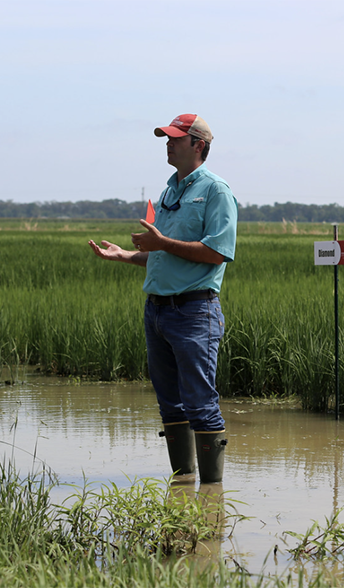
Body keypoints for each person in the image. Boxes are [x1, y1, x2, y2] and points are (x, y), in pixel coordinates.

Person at [88, 113, 237, 484]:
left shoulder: (216, 191)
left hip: (193, 311)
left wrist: (161, 243)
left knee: (201, 405)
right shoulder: (170, 190)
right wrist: (124, 255)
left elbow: (216, 252)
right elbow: (163, 255)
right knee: (170, 404)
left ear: (197, 145)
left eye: (175, 138)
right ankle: (183, 487)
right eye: (166, 138)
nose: (168, 144)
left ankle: (211, 496)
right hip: (156, 311)